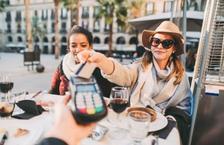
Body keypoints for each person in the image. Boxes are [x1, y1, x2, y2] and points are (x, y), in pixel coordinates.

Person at [80, 21, 192, 145]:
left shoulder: (182, 77)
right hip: (133, 122)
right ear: (151, 44)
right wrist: (101, 61)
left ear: (174, 48)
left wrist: (170, 119)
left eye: (166, 43)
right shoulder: (139, 66)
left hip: (162, 129)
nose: (160, 46)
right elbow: (122, 74)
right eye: (156, 41)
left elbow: (185, 110)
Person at [48, 25, 117, 97]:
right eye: (73, 46)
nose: (78, 50)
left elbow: (108, 94)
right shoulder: (64, 63)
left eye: (83, 45)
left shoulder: (100, 66)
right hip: (65, 107)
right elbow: (53, 91)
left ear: (90, 47)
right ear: (69, 47)